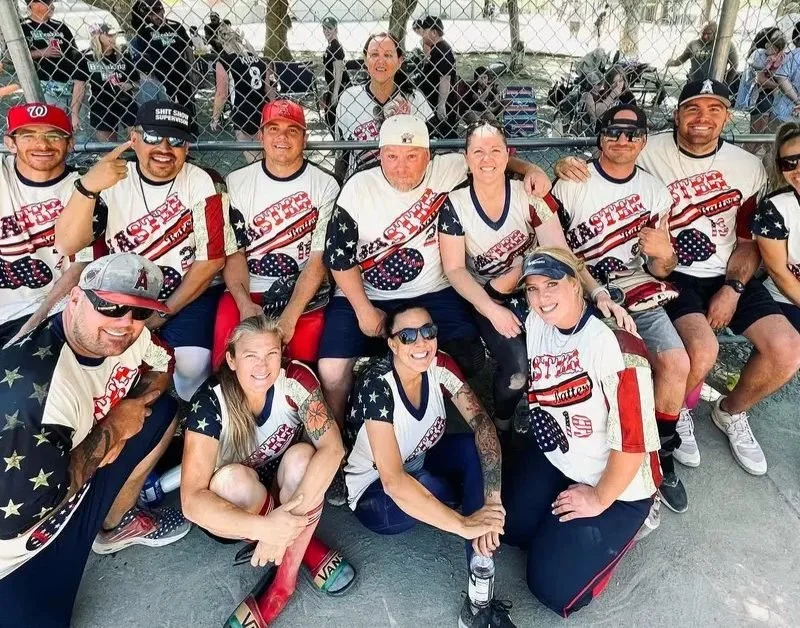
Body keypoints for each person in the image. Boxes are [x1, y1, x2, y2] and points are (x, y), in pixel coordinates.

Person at [554, 80, 800, 476]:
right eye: (692, 109)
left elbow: (747, 240)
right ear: (676, 114)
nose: (703, 118)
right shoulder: (652, 148)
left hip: (730, 273)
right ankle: (677, 412)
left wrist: (733, 289)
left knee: (787, 349)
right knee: (701, 351)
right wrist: (567, 164)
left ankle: (729, 412)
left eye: (714, 109)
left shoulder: (747, 166)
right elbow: (613, 152)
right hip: (675, 274)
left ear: (727, 115)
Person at [319, 114, 551, 431]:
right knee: (332, 372)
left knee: (471, 357)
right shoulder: (359, 187)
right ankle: (337, 435)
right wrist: (362, 310)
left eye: (412, 156)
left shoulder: (449, 168)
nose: (401, 166)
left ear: (428, 156)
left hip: (430, 289)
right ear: (379, 154)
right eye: (391, 156)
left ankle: (432, 413)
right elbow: (338, 257)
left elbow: (491, 160)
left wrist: (532, 170)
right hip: (365, 292)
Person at [0, 253, 189, 626]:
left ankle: (115, 526)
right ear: (74, 299)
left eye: (139, 312)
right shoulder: (35, 392)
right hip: (18, 543)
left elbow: (161, 361)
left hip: (73, 478)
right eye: (110, 306)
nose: (125, 323)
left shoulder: (130, 337)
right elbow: (21, 514)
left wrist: (132, 406)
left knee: (163, 411)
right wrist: (114, 427)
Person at [438, 118, 631, 436]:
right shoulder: (455, 206)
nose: (488, 159)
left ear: (507, 153)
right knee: (517, 369)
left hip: (536, 288)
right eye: (479, 151)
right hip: (490, 295)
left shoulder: (530, 196)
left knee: (580, 344)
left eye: (496, 150)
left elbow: (560, 251)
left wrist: (597, 293)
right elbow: (455, 269)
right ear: (467, 158)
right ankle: (501, 426)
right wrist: (491, 309)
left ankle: (574, 419)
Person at [504, 248, 660, 616]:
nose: (541, 298)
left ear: (577, 285)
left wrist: (600, 498)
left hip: (619, 483)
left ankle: (637, 522)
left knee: (550, 588)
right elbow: (494, 296)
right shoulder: (538, 321)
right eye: (532, 288)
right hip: (562, 456)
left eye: (552, 285)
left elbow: (634, 444)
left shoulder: (616, 345)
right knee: (512, 531)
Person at [551, 104, 690, 515]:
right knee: (618, 369)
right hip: (581, 287)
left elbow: (661, 267)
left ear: (644, 141)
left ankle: (661, 452)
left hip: (635, 286)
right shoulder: (573, 180)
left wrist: (665, 257)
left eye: (633, 133)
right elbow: (553, 246)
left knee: (676, 362)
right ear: (600, 137)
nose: (623, 139)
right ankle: (601, 460)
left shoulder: (654, 191)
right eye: (614, 131)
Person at [343, 304, 513, 628]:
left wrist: (492, 499)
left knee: (472, 451)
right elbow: (393, 481)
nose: (421, 343)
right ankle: (463, 515)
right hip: (375, 494)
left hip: (422, 463)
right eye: (407, 336)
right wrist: (464, 525)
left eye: (428, 332)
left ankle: (479, 596)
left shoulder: (440, 364)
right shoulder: (377, 385)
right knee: (431, 487)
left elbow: (483, 425)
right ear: (392, 343)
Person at [182, 316, 355, 626]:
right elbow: (192, 501)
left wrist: (279, 531)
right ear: (232, 359)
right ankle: (309, 548)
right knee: (232, 480)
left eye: (271, 354)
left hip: (283, 491)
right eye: (251, 355)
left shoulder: (295, 380)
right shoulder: (210, 402)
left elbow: (334, 449)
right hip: (237, 508)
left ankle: (282, 587)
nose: (262, 365)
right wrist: (267, 531)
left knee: (305, 458)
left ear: (281, 353)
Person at [54, 101, 232, 402]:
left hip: (185, 296)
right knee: (100, 360)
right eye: (152, 137)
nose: (164, 148)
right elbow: (69, 244)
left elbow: (211, 260)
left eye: (176, 140)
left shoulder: (201, 181)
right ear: (133, 139)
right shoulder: (111, 178)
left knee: (191, 366)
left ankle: (184, 418)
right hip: (119, 295)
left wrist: (165, 313)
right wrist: (88, 188)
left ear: (186, 147)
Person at [214, 100, 338, 369]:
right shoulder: (237, 182)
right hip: (249, 288)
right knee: (224, 365)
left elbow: (318, 261)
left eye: (292, 130)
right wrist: (244, 303)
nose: (282, 137)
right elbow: (234, 252)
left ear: (304, 138)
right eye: (273, 129)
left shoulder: (326, 185)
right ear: (261, 135)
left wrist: (290, 316)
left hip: (302, 293)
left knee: (302, 368)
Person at [0, 103, 96, 346]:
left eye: (53, 136)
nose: (42, 145)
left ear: (70, 143)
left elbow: (78, 268)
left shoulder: (84, 189)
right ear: (10, 142)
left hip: (49, 312)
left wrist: (28, 329)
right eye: (28, 135)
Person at [335, 32, 432, 178]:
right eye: (374, 55)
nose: (380, 61)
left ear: (400, 61)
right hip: (363, 183)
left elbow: (432, 149)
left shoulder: (414, 99)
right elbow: (341, 155)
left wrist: (406, 126)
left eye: (387, 55)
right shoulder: (349, 98)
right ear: (365, 60)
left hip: (404, 180)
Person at [752, 122, 800, 331]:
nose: (797, 171)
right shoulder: (777, 207)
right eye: (789, 163)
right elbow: (778, 271)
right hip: (788, 297)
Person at [211, 22, 277, 162]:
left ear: (220, 41)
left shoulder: (225, 61)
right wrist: (274, 109)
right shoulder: (259, 60)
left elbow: (222, 94)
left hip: (242, 113)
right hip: (262, 112)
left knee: (254, 161)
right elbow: (268, 89)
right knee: (267, 157)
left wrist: (215, 117)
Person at [71, 23, 138, 142]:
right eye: (110, 35)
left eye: (115, 35)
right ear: (98, 36)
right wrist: (74, 114)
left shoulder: (123, 53)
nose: (114, 38)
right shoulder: (86, 57)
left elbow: (136, 80)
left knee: (136, 140)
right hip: (101, 104)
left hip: (125, 102)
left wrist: (130, 85)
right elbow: (79, 87)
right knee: (107, 148)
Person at [20, 0, 86, 115]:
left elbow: (73, 51)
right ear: (35, 4)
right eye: (48, 3)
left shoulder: (59, 26)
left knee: (67, 124)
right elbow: (14, 57)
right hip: (42, 84)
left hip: (67, 83)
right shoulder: (24, 27)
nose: (52, 6)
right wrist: (41, 52)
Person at [136, 0, 196, 121]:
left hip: (181, 73)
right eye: (150, 14)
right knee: (165, 111)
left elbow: (188, 49)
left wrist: (193, 70)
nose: (154, 16)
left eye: (156, 12)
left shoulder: (176, 26)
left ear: (163, 10)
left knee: (188, 108)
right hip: (160, 76)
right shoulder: (145, 31)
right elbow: (143, 56)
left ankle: (192, 133)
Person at [418, 16, 459, 138]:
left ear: (434, 32)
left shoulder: (442, 50)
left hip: (442, 106)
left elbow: (445, 78)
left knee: (445, 138)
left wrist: (441, 105)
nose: (422, 35)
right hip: (433, 103)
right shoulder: (436, 49)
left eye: (424, 31)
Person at [666, 21, 739, 84]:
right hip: (694, 82)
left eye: (709, 34)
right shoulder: (693, 44)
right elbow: (682, 59)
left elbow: (734, 64)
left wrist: (726, 83)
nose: (705, 36)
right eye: (703, 33)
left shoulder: (725, 45)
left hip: (715, 83)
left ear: (715, 33)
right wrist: (673, 62)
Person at [580, 67, 635, 131]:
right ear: (608, 83)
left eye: (620, 81)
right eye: (614, 82)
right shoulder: (602, 94)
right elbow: (596, 113)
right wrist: (611, 97)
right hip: (603, 130)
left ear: (624, 81)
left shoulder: (628, 96)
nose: (617, 85)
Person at [321, 17, 350, 132]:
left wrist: (335, 93)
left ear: (336, 29)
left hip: (340, 86)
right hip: (333, 87)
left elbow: (339, 71)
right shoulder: (330, 46)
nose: (326, 31)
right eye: (324, 28)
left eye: (329, 28)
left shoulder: (335, 46)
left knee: (332, 118)